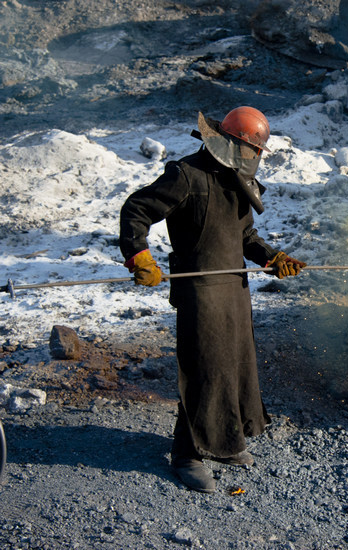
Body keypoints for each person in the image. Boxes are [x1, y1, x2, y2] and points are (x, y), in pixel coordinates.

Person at [119, 106, 305, 493]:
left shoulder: (234, 179)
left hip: (234, 287)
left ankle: (224, 443)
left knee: (235, 367)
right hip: (200, 291)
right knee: (205, 370)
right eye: (252, 150)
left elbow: (245, 236)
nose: (255, 158)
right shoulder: (186, 175)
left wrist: (272, 257)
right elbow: (136, 209)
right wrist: (139, 255)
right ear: (234, 143)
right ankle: (188, 454)